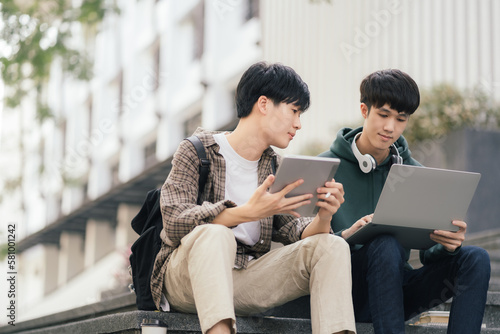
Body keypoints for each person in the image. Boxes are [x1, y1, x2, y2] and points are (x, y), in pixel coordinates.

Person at [151, 62, 356, 334]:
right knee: (216, 234)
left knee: (331, 245)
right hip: (186, 279)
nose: (298, 124)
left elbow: (295, 231)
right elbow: (174, 222)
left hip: (245, 280)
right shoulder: (197, 151)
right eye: (294, 111)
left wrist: (324, 216)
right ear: (263, 104)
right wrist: (247, 212)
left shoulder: (274, 167)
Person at [319, 69, 491, 334]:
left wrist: (448, 245)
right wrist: (346, 234)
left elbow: (427, 254)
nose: (391, 128)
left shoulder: (415, 172)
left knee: (476, 257)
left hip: (394, 293)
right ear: (364, 110)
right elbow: (302, 246)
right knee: (385, 243)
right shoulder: (324, 168)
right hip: (343, 291)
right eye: (383, 115)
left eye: (401, 119)